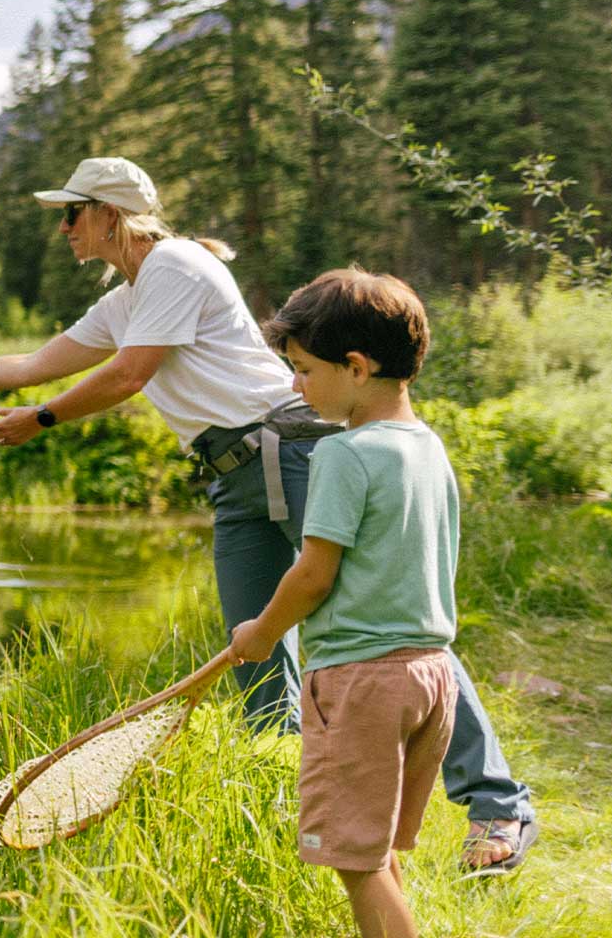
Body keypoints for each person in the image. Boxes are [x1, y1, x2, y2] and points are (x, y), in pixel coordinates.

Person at [0, 157, 536, 873]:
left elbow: (128, 376)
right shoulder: (129, 299)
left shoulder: (177, 265)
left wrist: (44, 420)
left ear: (111, 214)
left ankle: (498, 805)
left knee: (393, 627)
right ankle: (284, 805)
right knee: (254, 651)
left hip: (290, 451)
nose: (63, 226)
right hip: (232, 480)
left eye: (73, 212)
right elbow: (38, 361)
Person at [228, 267, 464, 937]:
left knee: (354, 861)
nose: (295, 385)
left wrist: (262, 632)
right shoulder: (428, 449)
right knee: (379, 848)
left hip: (360, 685)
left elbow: (313, 575)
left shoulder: (344, 455)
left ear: (356, 367)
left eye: (303, 369)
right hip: (430, 676)